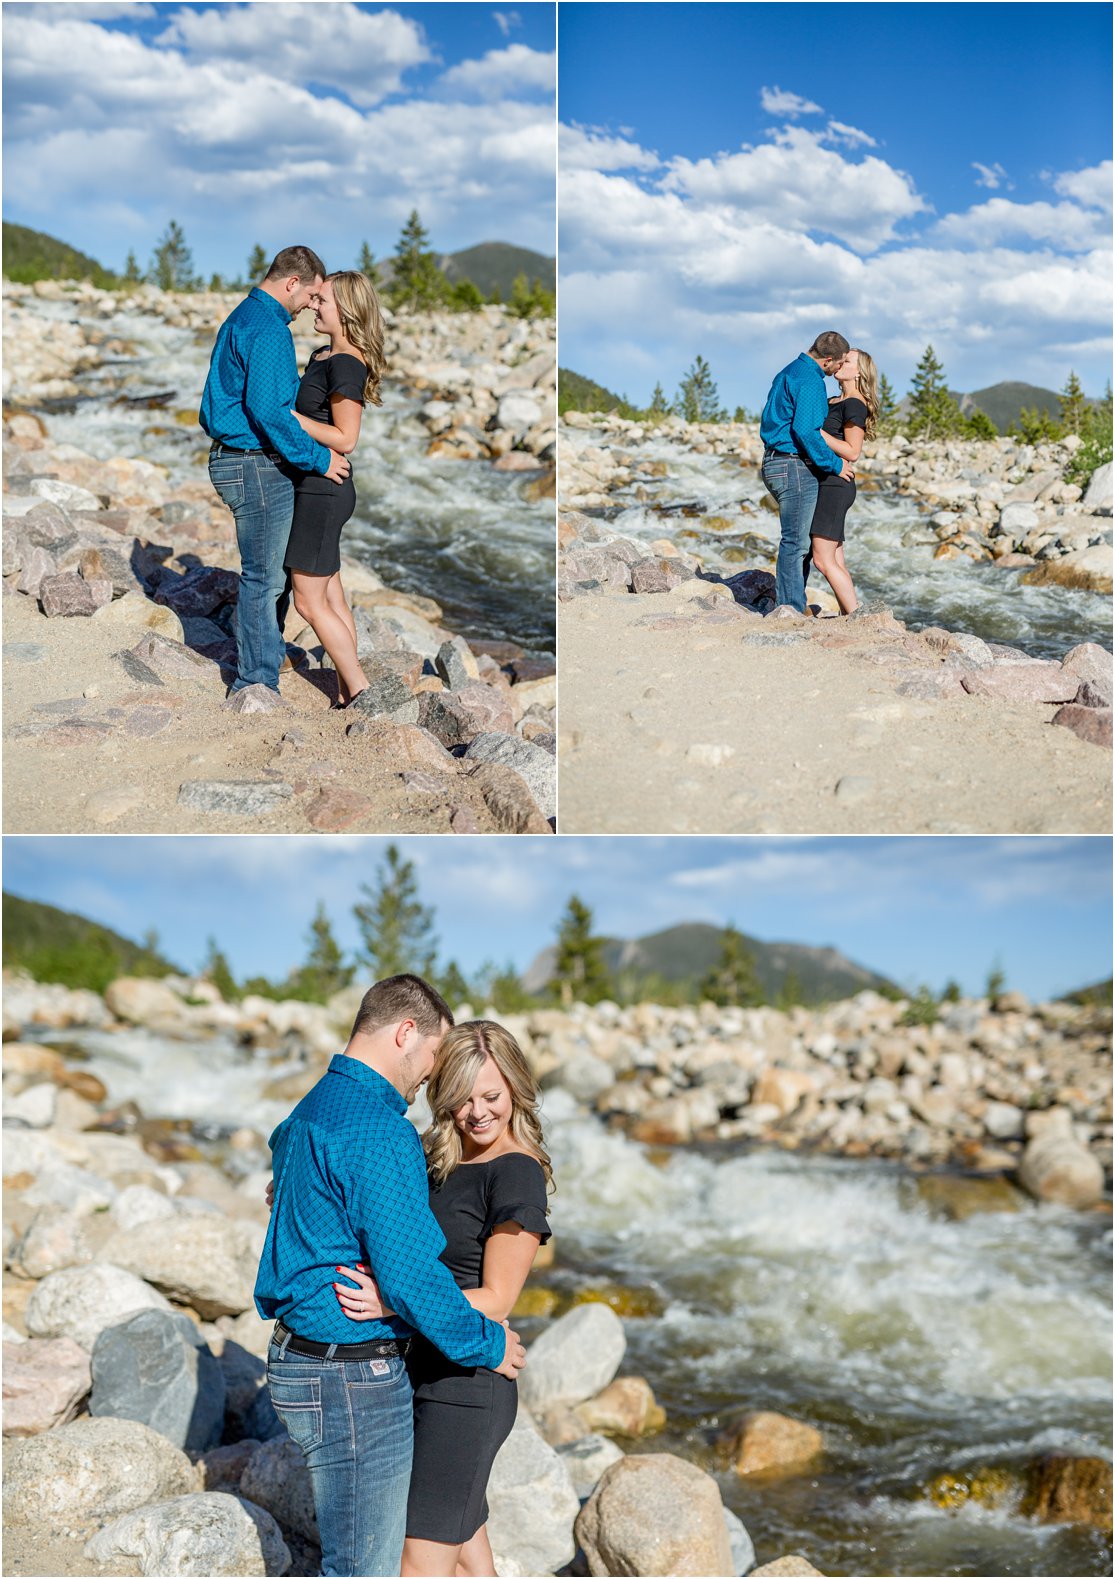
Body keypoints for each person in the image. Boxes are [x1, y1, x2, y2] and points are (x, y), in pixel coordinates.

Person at [255, 977, 527, 1579]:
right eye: (433, 1057)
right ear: (406, 1033)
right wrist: (490, 1341)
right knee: (365, 1568)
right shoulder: (380, 1130)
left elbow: (286, 1167)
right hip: (349, 1375)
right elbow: (410, 1279)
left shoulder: (312, 1108)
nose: (430, 1078)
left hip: (296, 1359)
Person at [330, 1020, 552, 1579]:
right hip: (419, 1373)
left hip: (466, 1390)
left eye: (492, 1096)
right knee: (470, 1560)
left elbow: (497, 1300)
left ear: (516, 1092)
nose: (477, 1113)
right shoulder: (437, 1160)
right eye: (461, 1099)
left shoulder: (516, 1173)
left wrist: (394, 1302)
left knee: (417, 1561)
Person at [200, 245, 351, 705]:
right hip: (252, 462)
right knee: (263, 578)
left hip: (238, 458)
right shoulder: (268, 330)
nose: (310, 305)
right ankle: (256, 682)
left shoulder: (245, 315)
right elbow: (270, 411)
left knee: (271, 575)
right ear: (291, 284)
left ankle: (263, 659)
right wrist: (320, 459)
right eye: (310, 295)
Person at [285, 271, 386, 708]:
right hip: (321, 486)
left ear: (345, 311)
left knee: (308, 603)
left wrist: (289, 418)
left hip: (323, 491)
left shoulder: (346, 362)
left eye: (322, 300)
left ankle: (359, 689)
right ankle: (347, 686)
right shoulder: (323, 354)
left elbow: (346, 438)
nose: (312, 305)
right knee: (330, 593)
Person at [759, 332, 857, 613]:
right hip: (792, 465)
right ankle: (789, 608)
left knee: (796, 538)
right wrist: (836, 465)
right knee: (796, 542)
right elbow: (806, 431)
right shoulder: (811, 380)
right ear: (828, 360)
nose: (838, 370)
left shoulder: (789, 371)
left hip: (773, 462)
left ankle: (791, 603)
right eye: (838, 364)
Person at [807, 348, 880, 615]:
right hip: (829, 482)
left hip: (835, 486)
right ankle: (851, 614)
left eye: (847, 360)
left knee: (822, 559)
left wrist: (818, 434)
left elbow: (853, 451)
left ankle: (855, 618)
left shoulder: (855, 404)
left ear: (859, 372)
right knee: (836, 559)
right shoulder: (834, 400)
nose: (839, 362)